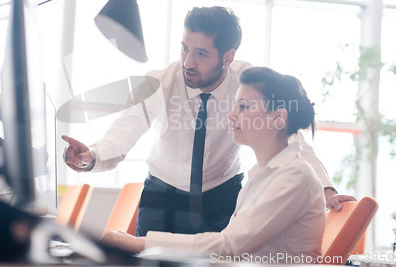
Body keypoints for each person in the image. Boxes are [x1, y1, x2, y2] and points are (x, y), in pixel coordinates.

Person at [62, 6, 354, 236]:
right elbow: (121, 135)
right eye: (185, 48)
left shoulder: (249, 82)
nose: (188, 62)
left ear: (227, 57)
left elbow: (290, 136)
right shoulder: (157, 83)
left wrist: (325, 187)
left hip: (223, 196)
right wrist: (90, 157)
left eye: (201, 53)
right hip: (161, 196)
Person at [100, 67, 326, 262]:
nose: (230, 115)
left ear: (278, 118)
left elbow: (228, 247)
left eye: (243, 107)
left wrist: (137, 244)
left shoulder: (295, 176)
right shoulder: (262, 176)